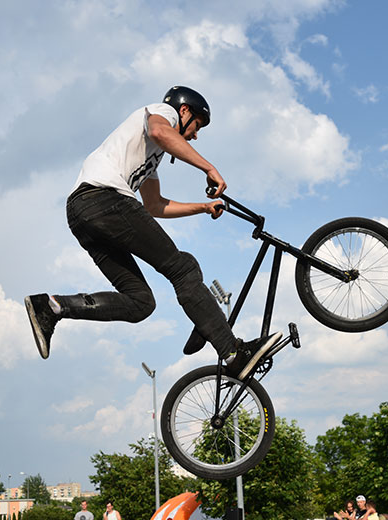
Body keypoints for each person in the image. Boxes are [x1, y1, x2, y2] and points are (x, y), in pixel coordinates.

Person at [24, 86, 281, 382]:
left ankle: (52, 306)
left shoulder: (149, 156)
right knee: (183, 268)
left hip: (81, 214)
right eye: (197, 126)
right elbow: (161, 132)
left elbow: (155, 205)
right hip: (104, 199)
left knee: (140, 302)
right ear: (184, 112)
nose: (195, 135)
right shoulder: (163, 113)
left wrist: (203, 207)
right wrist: (209, 168)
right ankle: (233, 352)